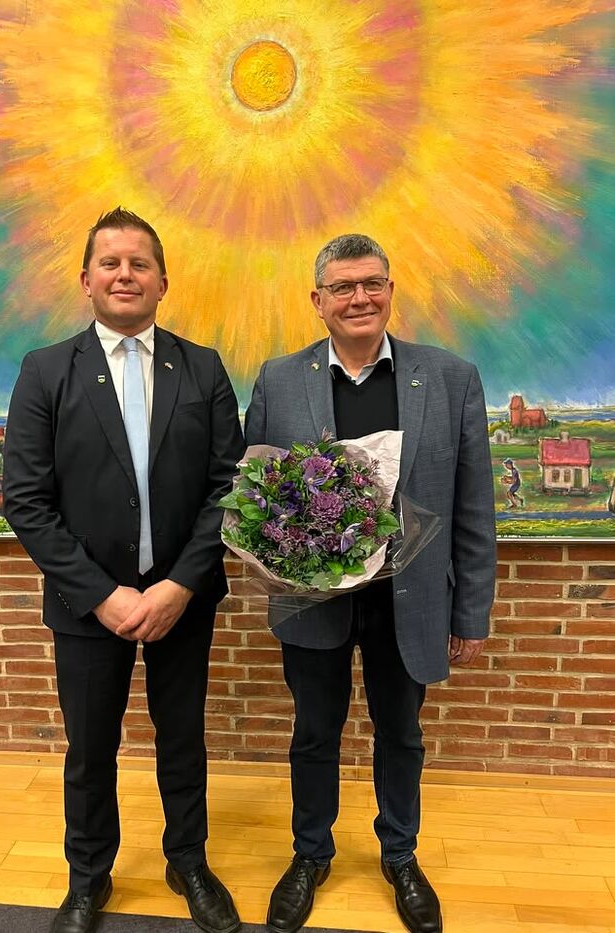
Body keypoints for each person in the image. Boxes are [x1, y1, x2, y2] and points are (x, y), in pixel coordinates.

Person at [245, 234, 496, 933]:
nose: (360, 298)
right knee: (313, 734)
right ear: (317, 299)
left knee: (401, 734)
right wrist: (271, 559)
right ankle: (309, 855)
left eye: (373, 283)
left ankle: (400, 855)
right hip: (311, 600)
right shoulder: (278, 379)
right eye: (343, 286)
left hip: (409, 600)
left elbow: (474, 505)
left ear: (390, 290)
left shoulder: (449, 378)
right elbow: (255, 490)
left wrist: (471, 613)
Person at [3, 207, 245, 933]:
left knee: (183, 738)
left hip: (182, 599)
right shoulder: (46, 370)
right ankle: (88, 878)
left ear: (163, 281)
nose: (125, 274)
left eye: (140, 263)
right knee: (91, 748)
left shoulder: (203, 367)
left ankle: (189, 862)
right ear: (86, 279)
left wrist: (179, 585)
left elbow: (230, 488)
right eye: (110, 263)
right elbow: (25, 499)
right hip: (87, 604)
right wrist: (102, 595)